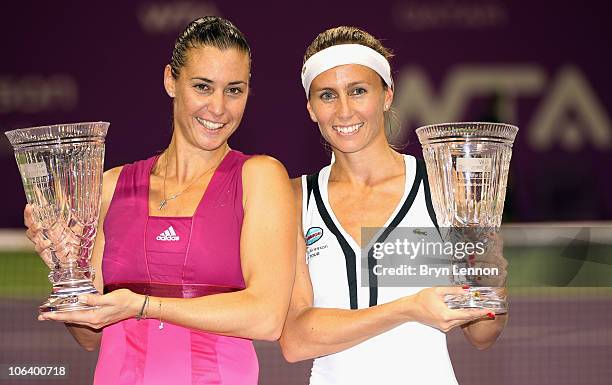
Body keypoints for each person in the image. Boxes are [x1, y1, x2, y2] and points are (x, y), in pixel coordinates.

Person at [24, 16, 295, 385]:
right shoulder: (111, 187)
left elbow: (267, 317)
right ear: (171, 80)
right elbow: (89, 336)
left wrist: (142, 305)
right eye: (203, 86)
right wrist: (64, 268)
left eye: (234, 90)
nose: (218, 108)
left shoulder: (259, 177)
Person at [279, 26, 508, 385]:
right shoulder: (295, 199)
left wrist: (489, 278)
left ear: (387, 95)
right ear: (310, 108)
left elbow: (482, 336)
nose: (344, 111)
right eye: (327, 95)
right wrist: (409, 308)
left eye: (358, 91)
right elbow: (296, 338)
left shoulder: (442, 190)